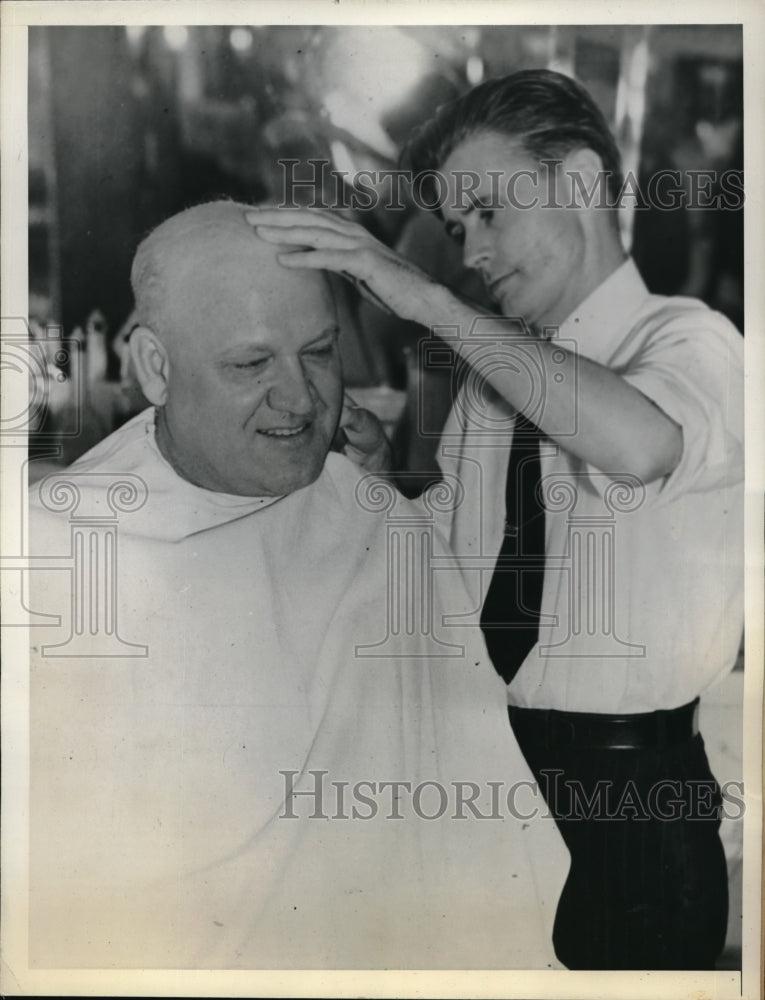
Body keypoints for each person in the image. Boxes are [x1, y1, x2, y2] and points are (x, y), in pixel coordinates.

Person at [247, 69, 745, 970]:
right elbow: (457, 562)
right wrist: (367, 478)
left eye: (486, 211)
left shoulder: (694, 343)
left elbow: (639, 447)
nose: (469, 251)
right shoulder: (493, 388)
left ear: (584, 181)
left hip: (632, 809)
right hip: (493, 781)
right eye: (454, 228)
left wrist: (422, 296)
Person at [27, 201, 567, 970]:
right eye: (250, 365)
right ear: (154, 366)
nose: (301, 399)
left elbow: (484, 856)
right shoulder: (51, 557)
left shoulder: (380, 528)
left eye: (318, 353)